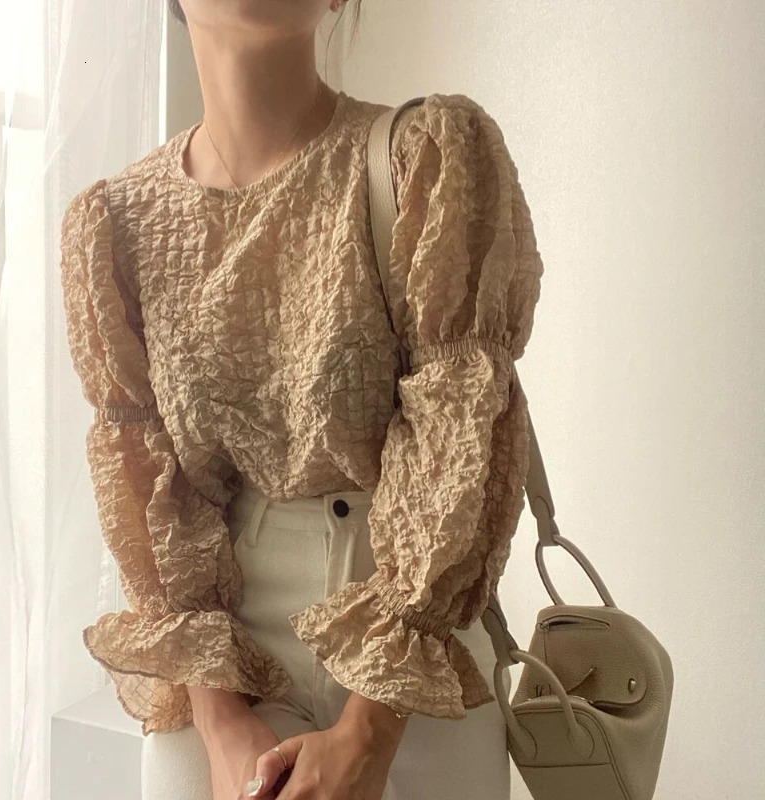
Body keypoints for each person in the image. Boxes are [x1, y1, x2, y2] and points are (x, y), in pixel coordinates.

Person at [58, 1, 545, 798]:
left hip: (412, 657)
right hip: (221, 657)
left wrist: (368, 731)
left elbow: (463, 426)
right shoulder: (116, 223)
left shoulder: (424, 160)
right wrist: (219, 718)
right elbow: (146, 479)